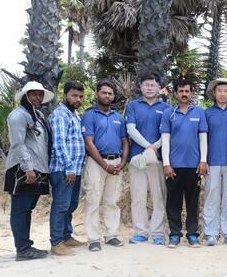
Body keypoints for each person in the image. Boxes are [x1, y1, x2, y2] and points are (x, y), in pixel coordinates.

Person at [5, 82, 53, 261]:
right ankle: (23, 249)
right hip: (23, 169)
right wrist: (28, 168)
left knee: (27, 209)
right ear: (25, 96)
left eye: (40, 95)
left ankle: (26, 246)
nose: (38, 98)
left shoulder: (37, 114)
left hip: (37, 168)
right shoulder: (18, 115)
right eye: (33, 94)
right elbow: (17, 143)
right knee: (20, 209)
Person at [81, 80, 129, 252]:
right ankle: (93, 238)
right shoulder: (89, 115)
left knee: (112, 201)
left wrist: (122, 162)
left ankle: (111, 235)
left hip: (116, 163)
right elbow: (89, 143)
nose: (107, 96)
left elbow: (125, 141)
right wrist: (104, 165)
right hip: (96, 163)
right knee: (93, 200)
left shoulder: (118, 117)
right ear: (97, 94)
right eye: (104, 93)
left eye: (110, 93)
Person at [160, 79, 209, 248]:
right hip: (174, 166)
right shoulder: (168, 113)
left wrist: (203, 161)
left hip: (194, 166)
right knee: (173, 201)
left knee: (192, 201)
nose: (184, 94)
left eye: (187, 91)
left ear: (191, 93)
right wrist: (166, 164)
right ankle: (174, 234)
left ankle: (192, 234)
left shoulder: (199, 112)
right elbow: (165, 140)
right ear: (175, 93)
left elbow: (203, 138)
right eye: (181, 91)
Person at [125, 74, 169, 246]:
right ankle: (140, 232)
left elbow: (166, 132)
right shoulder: (133, 106)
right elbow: (130, 129)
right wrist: (148, 147)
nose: (149, 88)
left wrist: (155, 148)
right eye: (146, 85)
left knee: (159, 196)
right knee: (138, 196)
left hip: (157, 159)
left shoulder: (166, 107)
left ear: (159, 88)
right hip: (137, 159)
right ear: (141, 88)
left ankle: (158, 233)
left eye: (153, 85)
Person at [48, 81, 86, 256]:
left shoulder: (75, 114)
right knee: (61, 205)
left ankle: (66, 235)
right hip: (63, 169)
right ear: (65, 96)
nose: (77, 99)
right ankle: (56, 243)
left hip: (75, 169)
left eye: (80, 96)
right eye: (74, 95)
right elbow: (59, 143)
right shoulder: (60, 115)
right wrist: (69, 167)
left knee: (71, 204)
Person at [202, 78, 227, 246]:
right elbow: (202, 139)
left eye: (226, 91)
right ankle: (210, 233)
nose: (223, 94)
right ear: (214, 93)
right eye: (219, 91)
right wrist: (203, 160)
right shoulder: (207, 113)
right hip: (212, 161)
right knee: (211, 196)